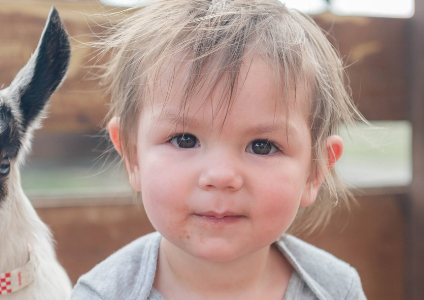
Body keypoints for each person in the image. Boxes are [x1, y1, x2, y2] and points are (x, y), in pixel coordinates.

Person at [72, 0, 367, 299]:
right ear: (133, 157)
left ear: (315, 171)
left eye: (262, 146)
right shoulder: (104, 294)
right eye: (184, 139)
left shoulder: (336, 290)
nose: (221, 176)